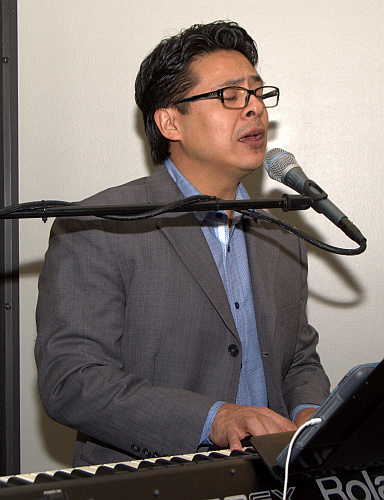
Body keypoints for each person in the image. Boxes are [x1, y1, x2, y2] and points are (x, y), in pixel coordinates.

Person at [35, 20, 330, 467]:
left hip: (278, 479)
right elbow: (73, 381)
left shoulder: (279, 231)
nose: (254, 109)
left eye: (257, 93)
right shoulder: (98, 226)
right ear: (170, 121)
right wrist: (213, 418)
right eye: (229, 95)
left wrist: (311, 416)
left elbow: (299, 360)